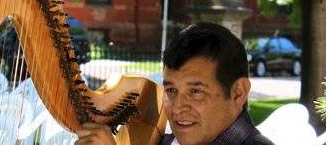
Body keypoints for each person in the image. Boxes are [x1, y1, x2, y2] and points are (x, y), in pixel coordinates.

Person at [75, 22, 274, 145]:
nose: (177, 107)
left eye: (196, 91)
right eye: (171, 89)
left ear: (238, 93)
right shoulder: (163, 142)